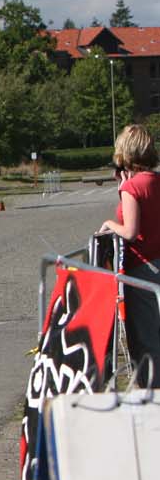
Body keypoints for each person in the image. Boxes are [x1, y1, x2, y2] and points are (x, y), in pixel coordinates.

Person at [101, 123, 160, 382]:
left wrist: (110, 224)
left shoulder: (132, 187)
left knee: (145, 339)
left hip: (142, 268)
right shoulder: (154, 181)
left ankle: (151, 396)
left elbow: (130, 231)